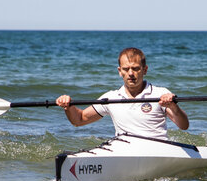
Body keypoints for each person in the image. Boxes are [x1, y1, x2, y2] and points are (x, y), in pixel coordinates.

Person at [55, 47, 189, 139]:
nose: (130, 73)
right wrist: (68, 106)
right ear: (120, 71)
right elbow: (79, 120)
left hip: (157, 151)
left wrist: (173, 106)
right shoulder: (110, 98)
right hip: (125, 149)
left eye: (135, 68)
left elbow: (184, 126)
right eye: (126, 69)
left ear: (145, 70)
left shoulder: (161, 94)